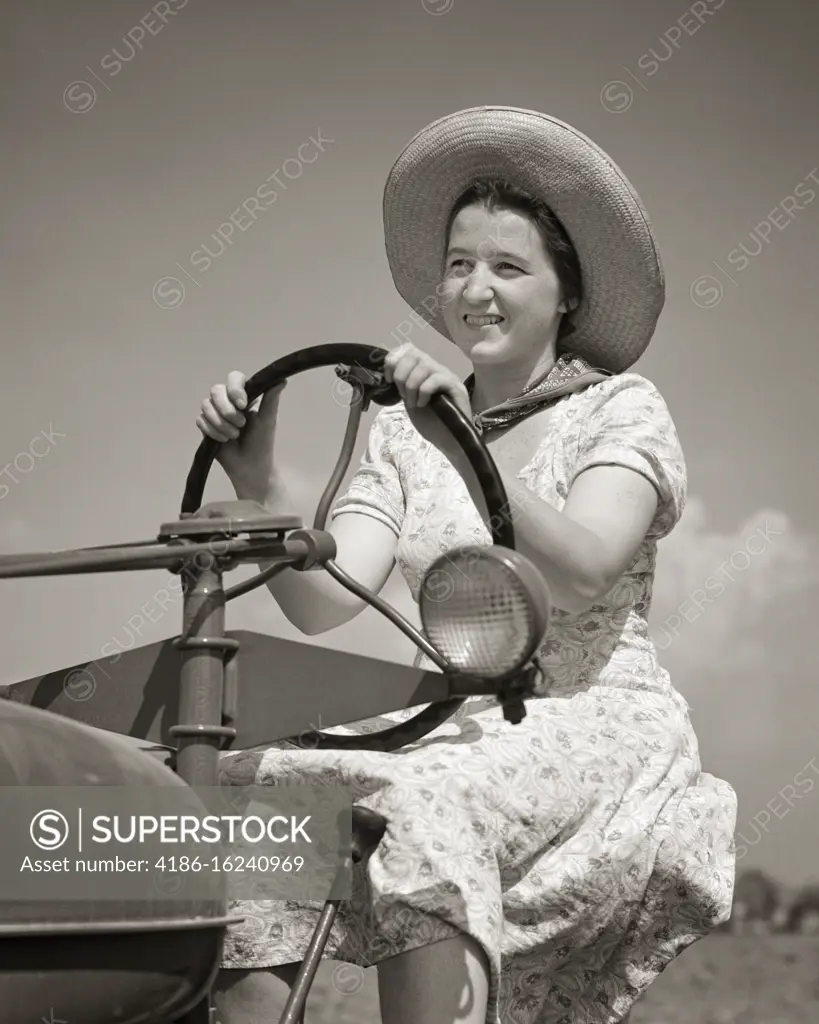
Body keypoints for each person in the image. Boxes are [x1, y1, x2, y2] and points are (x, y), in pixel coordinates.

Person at [198, 107, 737, 1024]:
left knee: (424, 800)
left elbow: (583, 573)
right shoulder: (399, 434)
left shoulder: (618, 409)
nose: (474, 290)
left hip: (591, 716)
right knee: (246, 785)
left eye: (507, 267)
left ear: (566, 295)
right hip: (448, 717)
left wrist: (462, 444)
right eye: (458, 265)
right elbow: (326, 601)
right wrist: (257, 487)